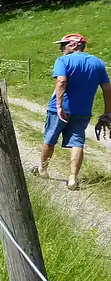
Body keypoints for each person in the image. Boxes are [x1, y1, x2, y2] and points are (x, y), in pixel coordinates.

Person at [33, 33, 111, 190]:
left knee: (49, 138)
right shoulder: (98, 63)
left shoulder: (63, 61)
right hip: (83, 110)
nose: (61, 49)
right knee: (77, 142)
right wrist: (108, 112)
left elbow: (61, 81)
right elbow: (107, 88)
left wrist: (59, 106)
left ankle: (43, 169)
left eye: (64, 45)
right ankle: (73, 178)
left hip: (59, 109)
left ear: (75, 45)